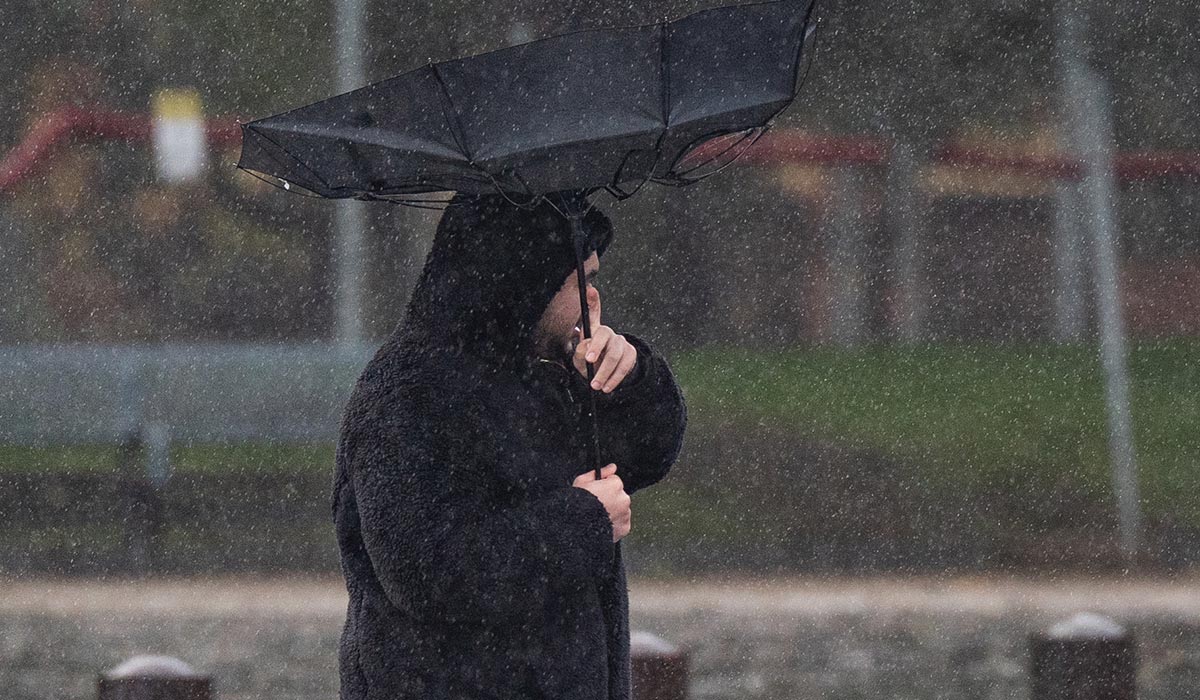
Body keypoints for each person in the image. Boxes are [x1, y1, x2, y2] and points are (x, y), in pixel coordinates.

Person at [332, 191, 688, 700]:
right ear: (525, 284)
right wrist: (584, 522)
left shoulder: (544, 368)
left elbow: (648, 456)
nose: (593, 299)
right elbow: (428, 574)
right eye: (580, 281)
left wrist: (630, 380)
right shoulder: (407, 394)